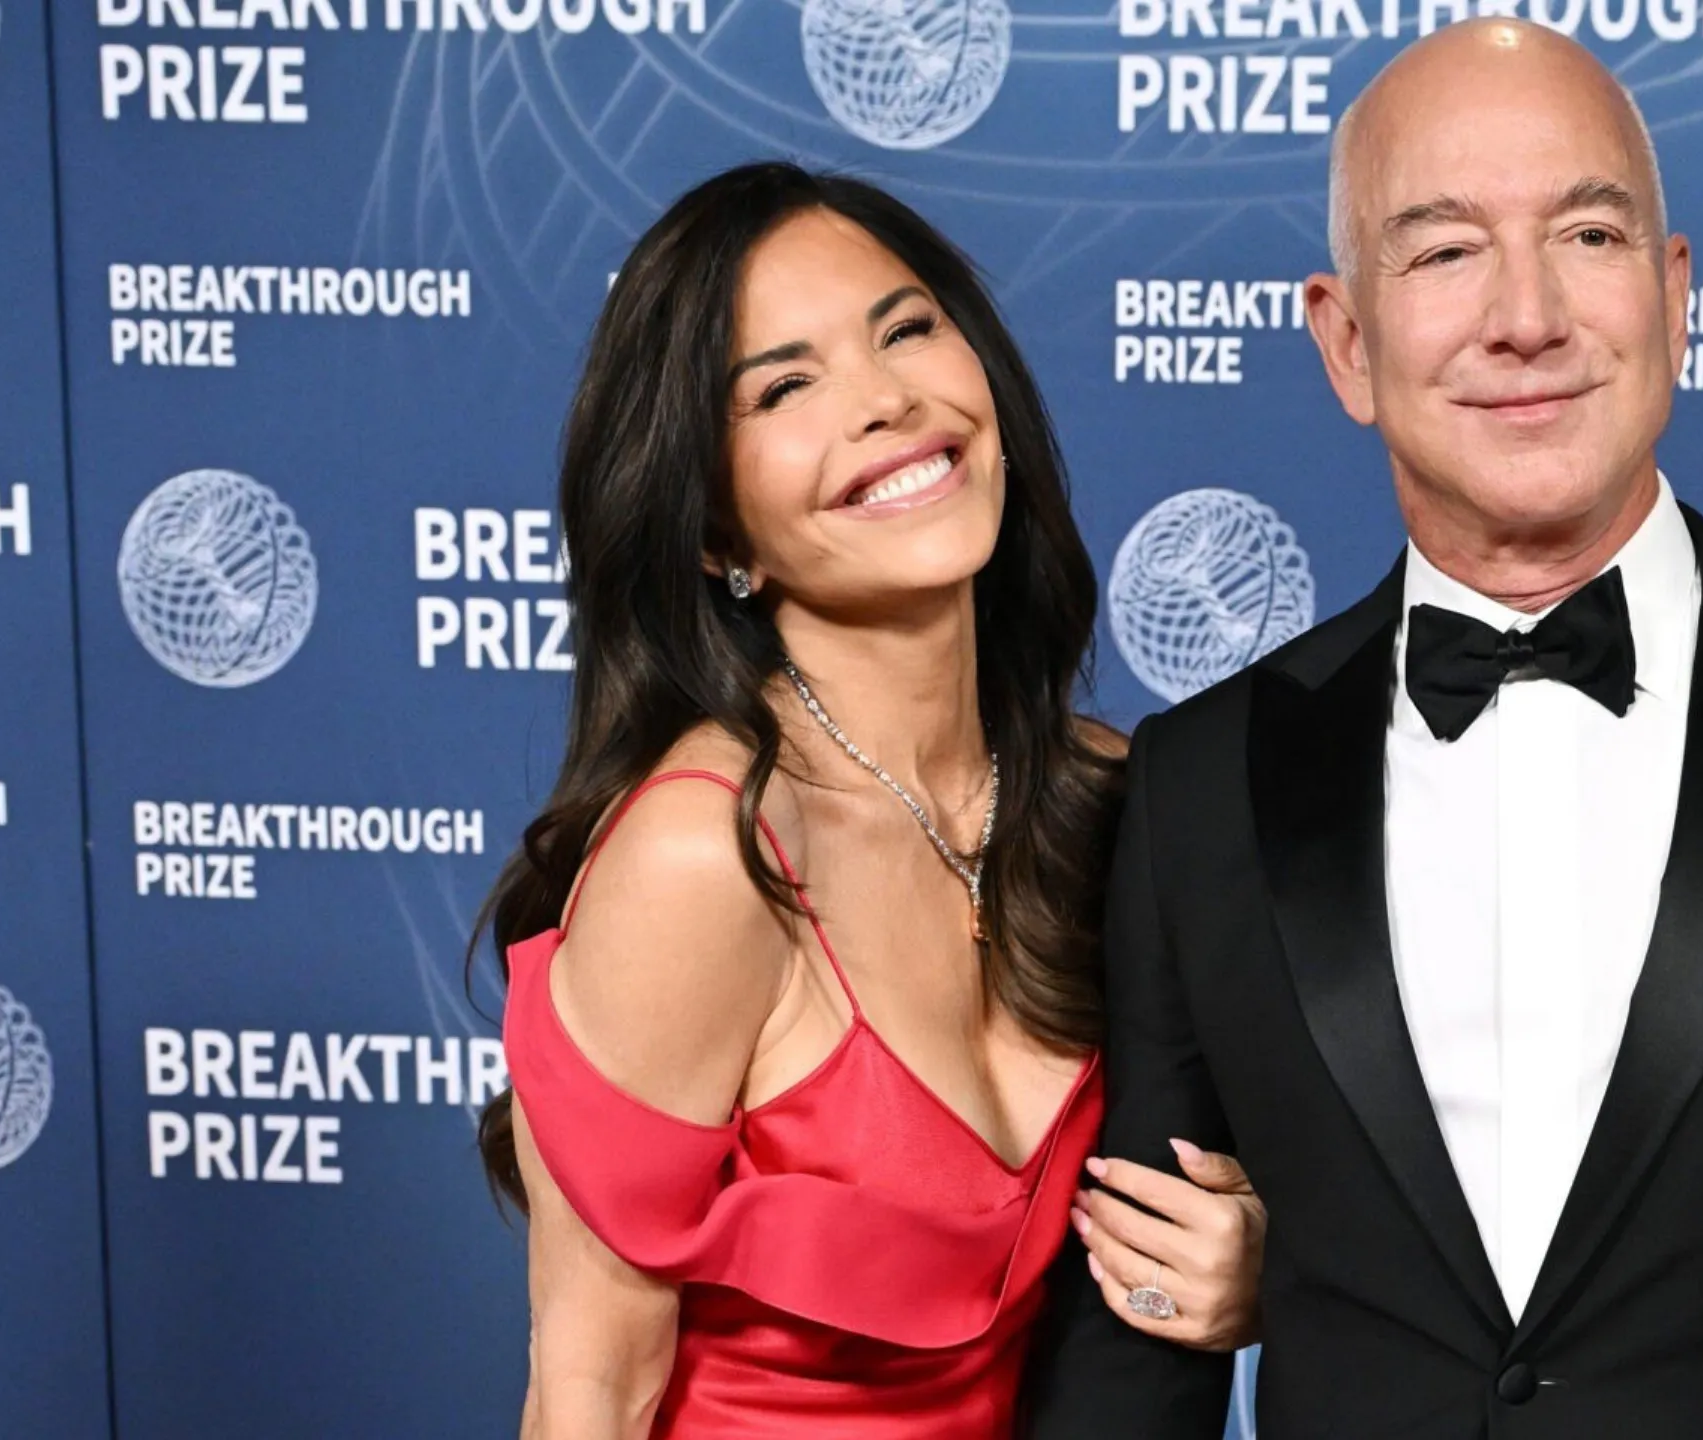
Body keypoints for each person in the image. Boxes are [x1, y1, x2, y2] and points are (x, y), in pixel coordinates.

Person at [1031, 19, 1703, 1438]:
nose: (1527, 315)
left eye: (1589, 236)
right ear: (1347, 343)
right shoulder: (1201, 784)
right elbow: (1134, 1337)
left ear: (1675, 296)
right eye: (1444, 251)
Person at [475, 162, 1266, 1439]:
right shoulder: (708, 851)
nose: (886, 400)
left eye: (905, 330)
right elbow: (591, 1390)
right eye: (785, 388)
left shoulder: (1106, 799)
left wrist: (1249, 1270)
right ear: (714, 534)